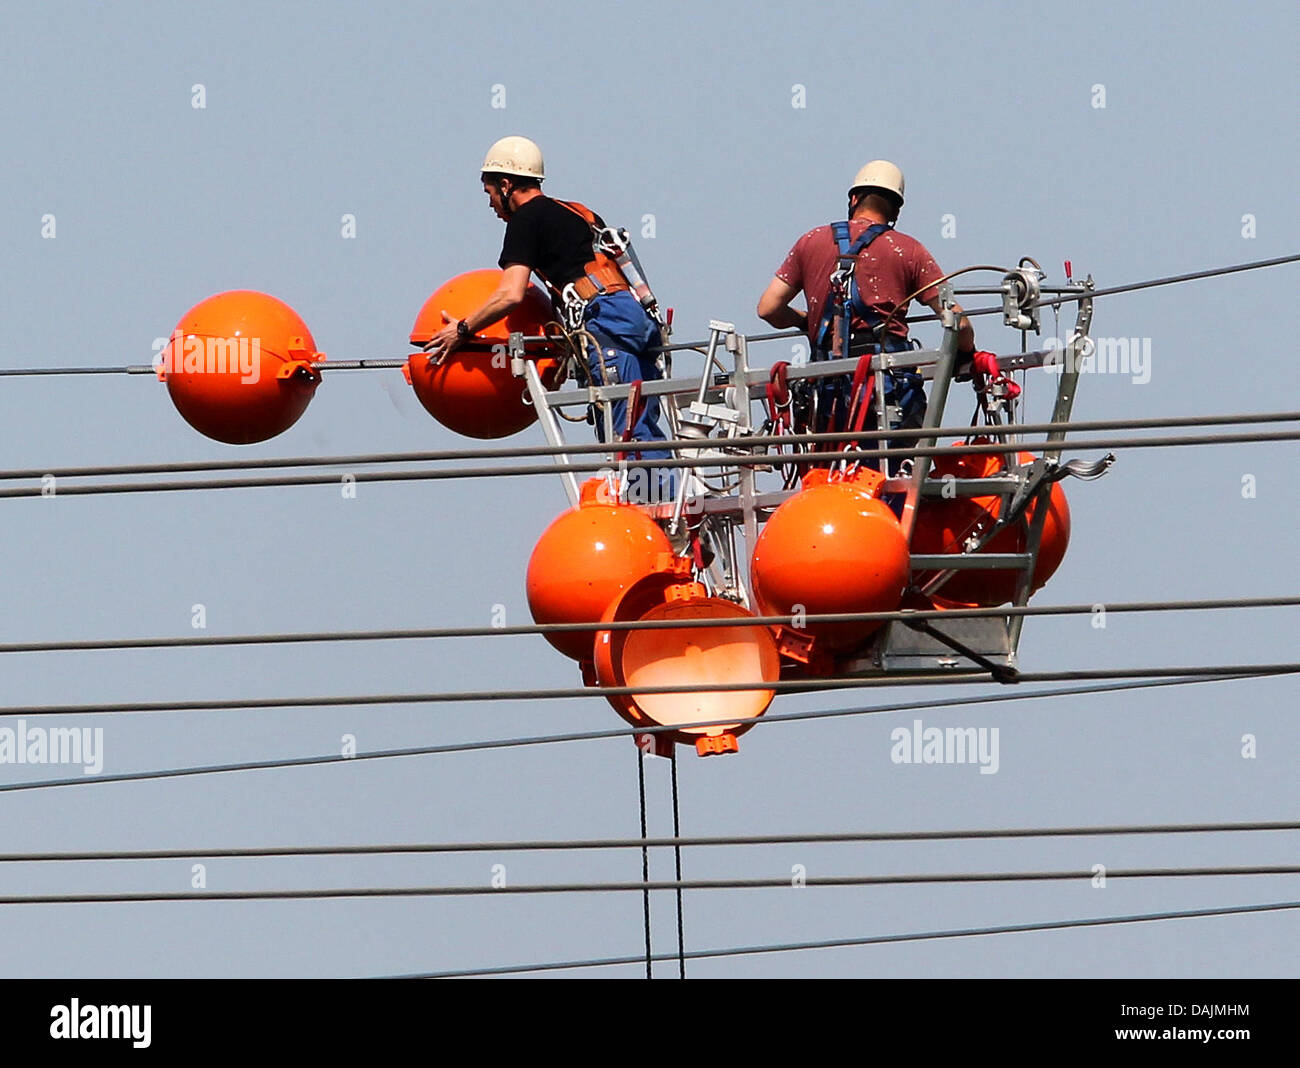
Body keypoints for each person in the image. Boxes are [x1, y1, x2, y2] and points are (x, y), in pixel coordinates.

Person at [422, 136, 671, 501]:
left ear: (506, 185)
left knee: (626, 434)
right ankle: (673, 508)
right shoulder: (578, 211)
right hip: (635, 318)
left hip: (607, 323)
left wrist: (462, 330)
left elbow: (511, 293)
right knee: (642, 421)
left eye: (490, 192)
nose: (491, 204)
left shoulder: (526, 220)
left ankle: (660, 515)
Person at [756, 160, 978, 468]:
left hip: (827, 397)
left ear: (853, 199)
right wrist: (967, 356)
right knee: (896, 477)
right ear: (896, 211)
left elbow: (768, 308)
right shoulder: (908, 250)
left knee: (831, 476)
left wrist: (805, 321)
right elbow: (958, 322)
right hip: (887, 395)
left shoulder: (811, 241)